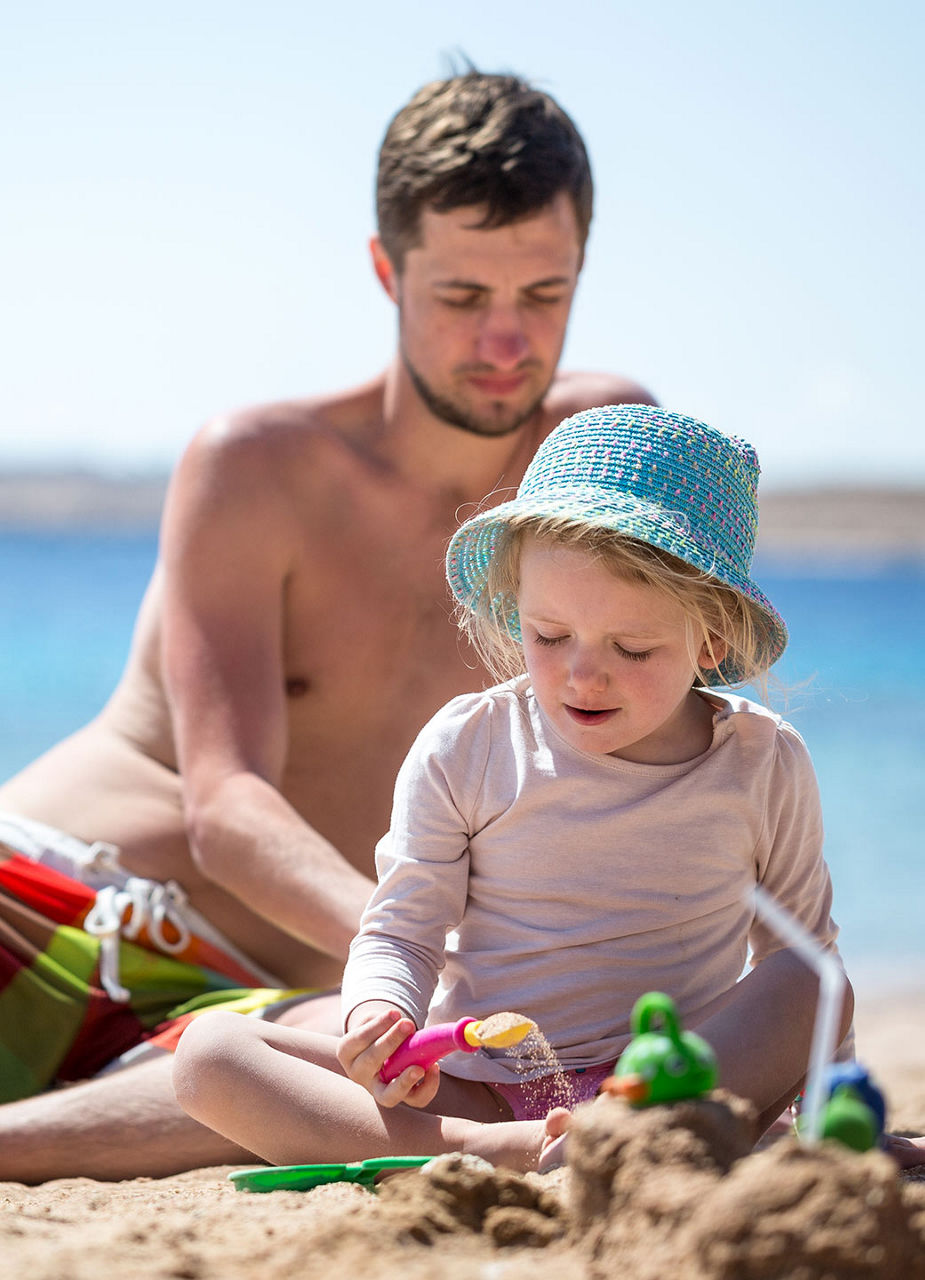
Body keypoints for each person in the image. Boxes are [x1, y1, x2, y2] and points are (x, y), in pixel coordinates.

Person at [0, 71, 654, 1182]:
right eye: (459, 297)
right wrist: (432, 953)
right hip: (53, 895)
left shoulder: (601, 464)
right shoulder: (257, 465)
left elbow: (670, 768)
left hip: (261, 998)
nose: (505, 341)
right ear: (386, 270)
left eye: (543, 293)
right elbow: (227, 805)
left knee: (324, 1079)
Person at [171, 403, 857, 1174]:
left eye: (631, 647)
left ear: (711, 639)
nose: (581, 673)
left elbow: (802, 963)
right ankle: (496, 1150)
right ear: (515, 611)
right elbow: (401, 928)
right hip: (483, 1092)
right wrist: (380, 1011)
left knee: (809, 978)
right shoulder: (470, 746)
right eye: (548, 635)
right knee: (211, 1055)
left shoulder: (761, 762)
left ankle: (619, 1137)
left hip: (672, 1082)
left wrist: (829, 1121)